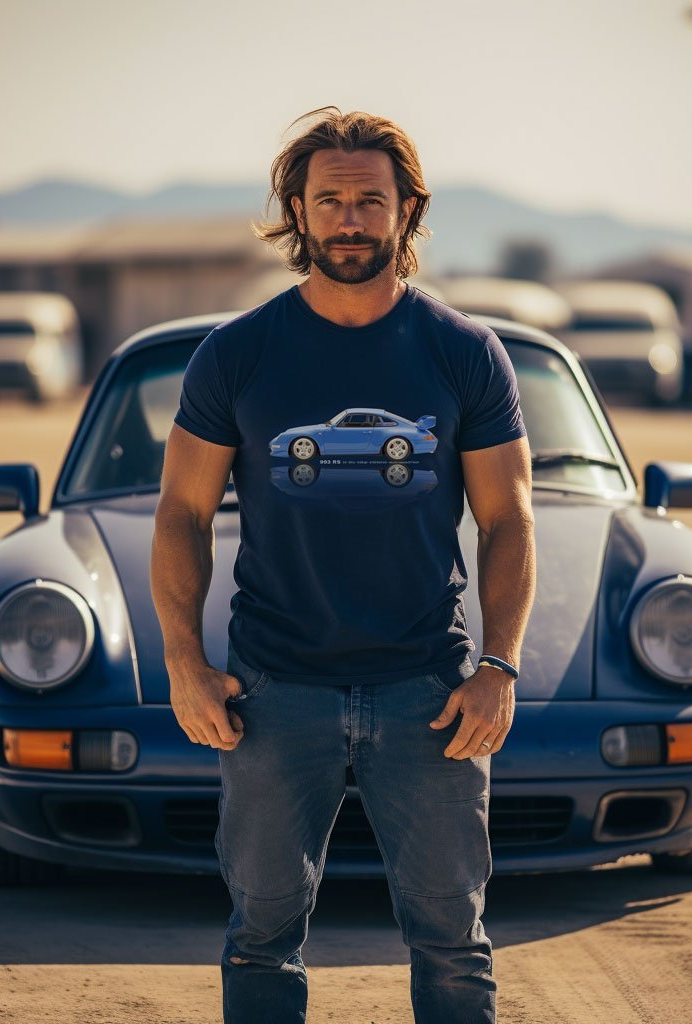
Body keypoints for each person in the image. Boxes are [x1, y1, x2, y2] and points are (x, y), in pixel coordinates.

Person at [150, 107, 536, 1024]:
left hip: (428, 690)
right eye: (332, 200)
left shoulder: (464, 352)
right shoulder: (238, 353)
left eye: (372, 199)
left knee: (453, 939)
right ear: (298, 210)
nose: (352, 218)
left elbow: (509, 519)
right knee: (261, 935)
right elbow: (182, 510)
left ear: (408, 210)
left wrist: (499, 667)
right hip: (275, 688)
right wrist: (182, 660)